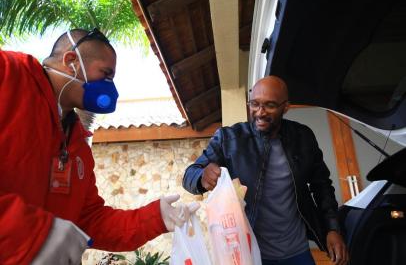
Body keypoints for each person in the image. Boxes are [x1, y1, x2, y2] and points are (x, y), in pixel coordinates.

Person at [0, 28, 198, 265]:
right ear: (71, 61)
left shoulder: (77, 145)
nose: (109, 87)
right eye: (105, 74)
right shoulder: (8, 74)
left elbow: (90, 220)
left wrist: (155, 218)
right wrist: (32, 234)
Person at [183, 76, 349, 265]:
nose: (260, 112)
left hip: (297, 251)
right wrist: (202, 177)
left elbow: (322, 186)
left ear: (285, 107)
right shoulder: (229, 139)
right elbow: (189, 175)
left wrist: (332, 228)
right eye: (254, 104)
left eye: (270, 105)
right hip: (252, 254)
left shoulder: (302, 137)